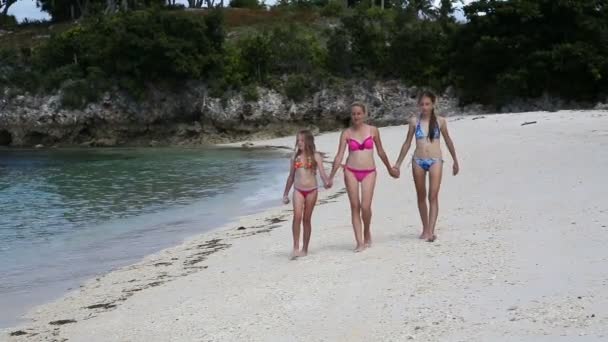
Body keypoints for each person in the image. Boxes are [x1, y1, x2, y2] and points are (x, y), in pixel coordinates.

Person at [328, 102, 398, 252]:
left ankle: (367, 231)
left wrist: (390, 168)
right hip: (350, 171)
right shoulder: (346, 133)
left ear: (364, 114)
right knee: (355, 206)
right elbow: (339, 155)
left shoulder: (373, 130)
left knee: (365, 207)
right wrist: (331, 176)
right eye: (353, 114)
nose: (356, 116)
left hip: (369, 171)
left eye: (359, 113)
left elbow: (381, 151)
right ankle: (359, 242)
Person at [392, 91, 460, 242]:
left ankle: (431, 230)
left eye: (427, 104)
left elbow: (448, 141)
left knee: (433, 195)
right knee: (421, 195)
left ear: (433, 104)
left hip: (436, 160)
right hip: (418, 160)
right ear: (418, 105)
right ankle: (425, 229)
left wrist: (455, 160)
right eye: (422, 104)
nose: (424, 107)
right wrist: (397, 164)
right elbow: (407, 143)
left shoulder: (440, 121)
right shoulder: (414, 121)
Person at [282, 130, 330, 259]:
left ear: (308, 141)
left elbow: (322, 173)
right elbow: (291, 176)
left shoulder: (315, 156)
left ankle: (305, 249)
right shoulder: (294, 157)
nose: (300, 143)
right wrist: (285, 194)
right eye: (298, 140)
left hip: (312, 191)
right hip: (298, 190)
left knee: (306, 219)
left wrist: (326, 182)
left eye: (302, 140)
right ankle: (296, 247)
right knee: (297, 217)